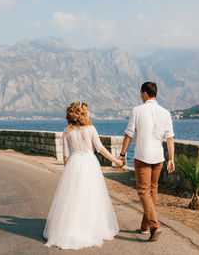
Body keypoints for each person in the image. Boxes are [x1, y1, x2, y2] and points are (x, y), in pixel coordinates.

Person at [43, 101, 123, 250]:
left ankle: (72, 228)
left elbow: (65, 156)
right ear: (84, 113)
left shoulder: (67, 132)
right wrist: (116, 161)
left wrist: (67, 172)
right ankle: (90, 227)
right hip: (89, 163)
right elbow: (100, 148)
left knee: (73, 196)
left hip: (74, 163)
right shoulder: (91, 129)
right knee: (91, 195)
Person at [118, 82, 175, 242]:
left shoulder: (137, 110)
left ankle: (155, 226)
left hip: (142, 156)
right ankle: (145, 227)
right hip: (159, 157)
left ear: (144, 93)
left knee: (143, 191)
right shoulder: (165, 112)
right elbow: (170, 138)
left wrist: (122, 154)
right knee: (152, 190)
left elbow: (129, 134)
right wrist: (171, 159)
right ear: (155, 93)